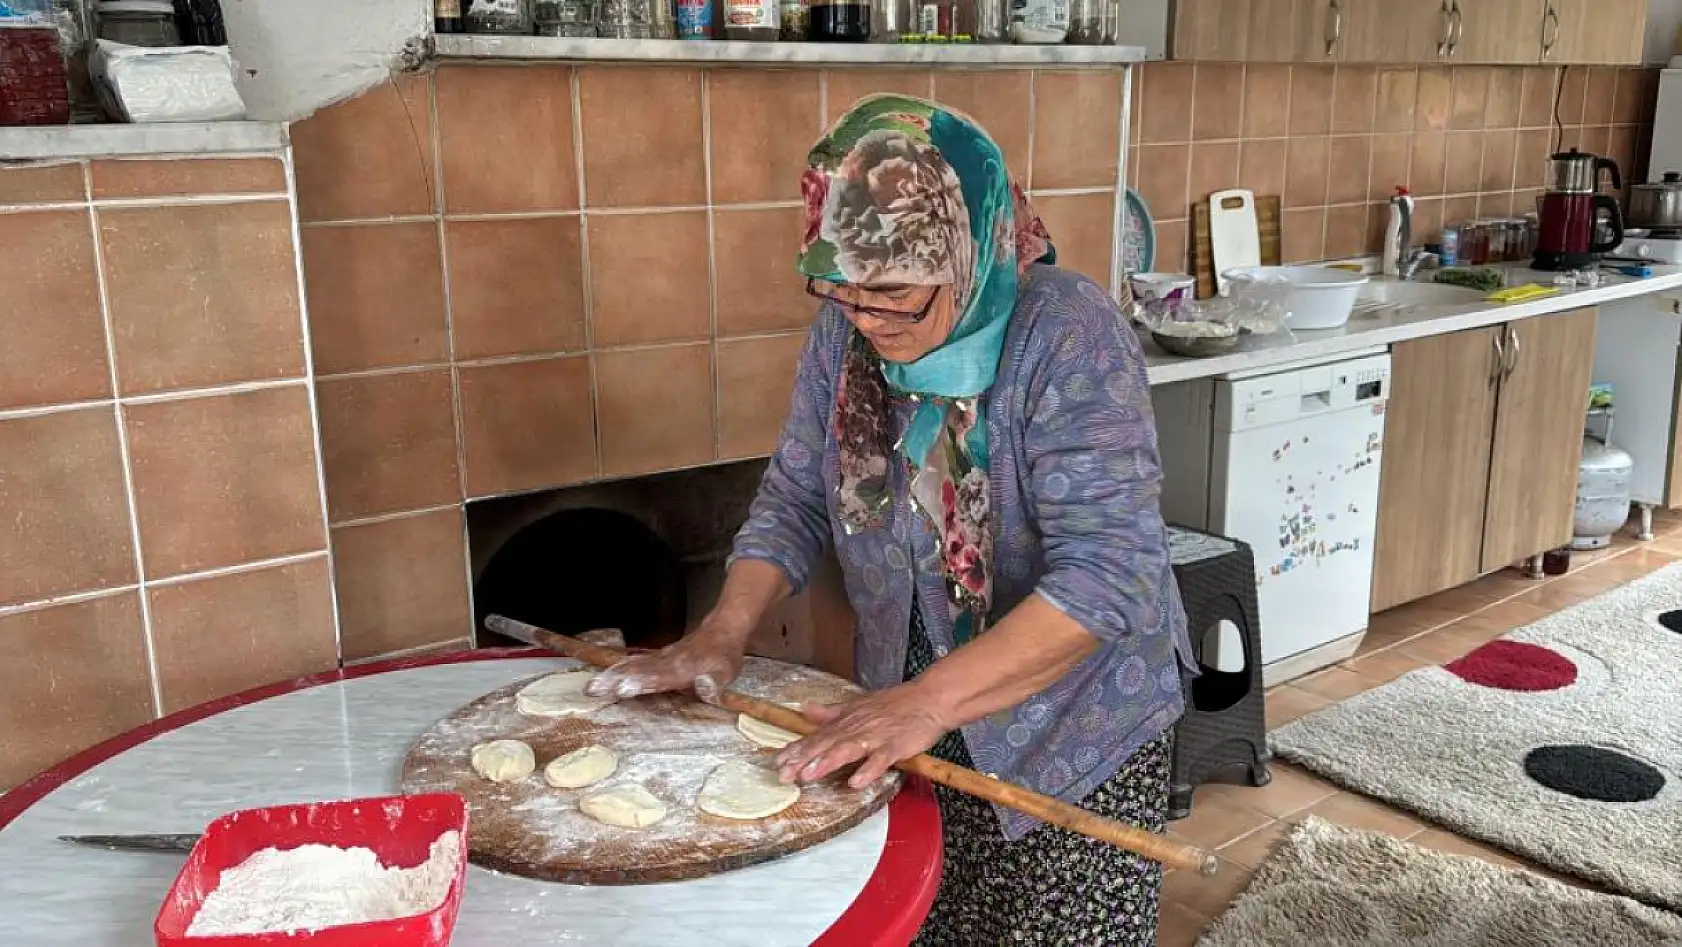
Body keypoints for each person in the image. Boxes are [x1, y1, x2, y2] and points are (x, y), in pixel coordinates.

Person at [587, 94, 1194, 946]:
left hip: (1068, 726)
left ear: (972, 252)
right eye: (842, 292)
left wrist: (927, 702)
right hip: (909, 704)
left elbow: (1111, 574)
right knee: (930, 918)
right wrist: (720, 632)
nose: (868, 319)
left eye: (895, 293)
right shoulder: (848, 337)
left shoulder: (1068, 331)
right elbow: (796, 494)